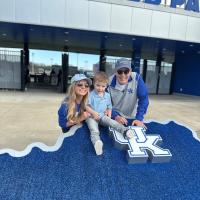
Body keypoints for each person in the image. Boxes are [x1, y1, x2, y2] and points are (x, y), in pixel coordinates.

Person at [86, 72, 134, 156]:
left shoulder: (107, 95)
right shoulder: (90, 95)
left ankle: (125, 131)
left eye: (103, 86)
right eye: (98, 85)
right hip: (91, 117)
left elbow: (109, 106)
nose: (100, 88)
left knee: (112, 123)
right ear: (94, 84)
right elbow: (85, 106)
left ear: (106, 86)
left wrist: (109, 114)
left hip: (102, 115)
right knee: (94, 130)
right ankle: (97, 143)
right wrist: (93, 113)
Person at [108, 58, 149, 128]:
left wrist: (139, 118)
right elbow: (104, 103)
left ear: (130, 71)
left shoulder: (137, 78)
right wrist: (115, 116)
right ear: (115, 72)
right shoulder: (108, 82)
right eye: (120, 71)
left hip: (131, 117)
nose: (123, 75)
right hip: (114, 115)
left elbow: (144, 99)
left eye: (126, 71)